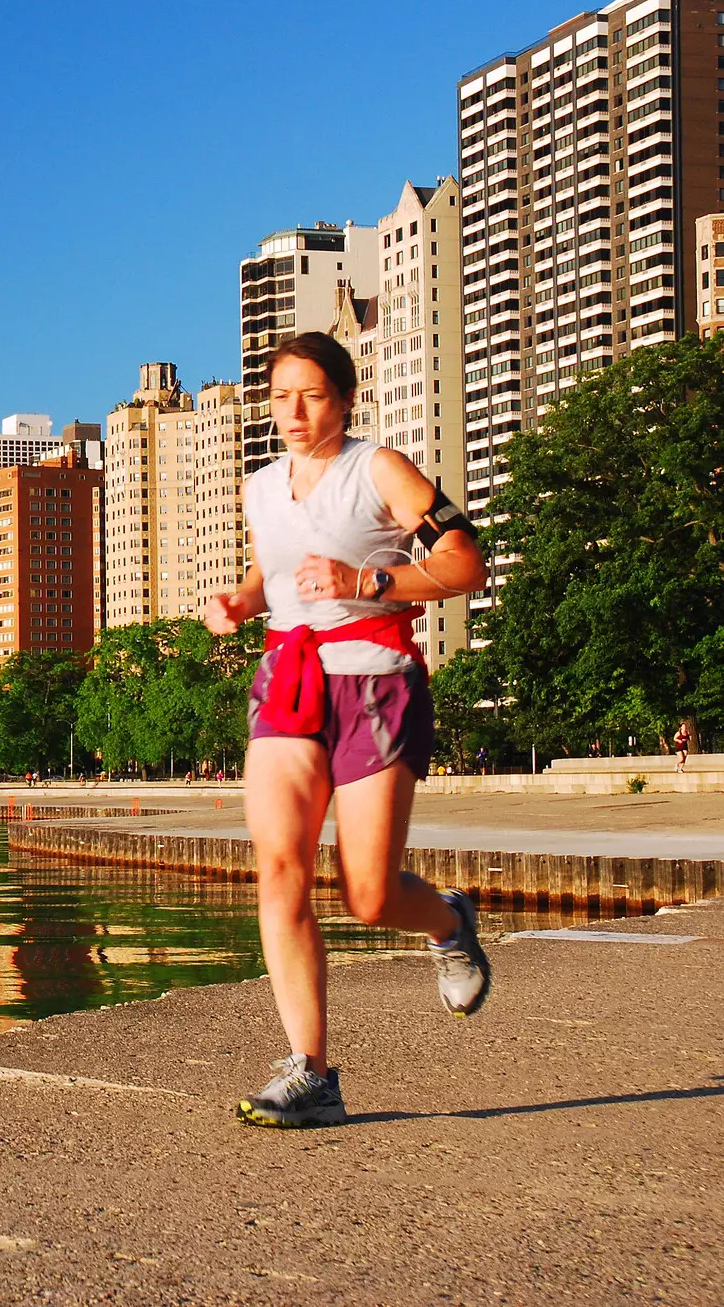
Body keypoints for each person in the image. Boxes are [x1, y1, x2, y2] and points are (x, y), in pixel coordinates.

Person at [204, 331, 493, 1129]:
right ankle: (311, 1073)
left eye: (313, 395)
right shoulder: (260, 486)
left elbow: (465, 565)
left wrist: (367, 579)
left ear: (345, 399)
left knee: (367, 895)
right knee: (279, 869)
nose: (294, 413)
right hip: (289, 679)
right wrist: (240, 601)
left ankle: (447, 922)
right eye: (280, 396)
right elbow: (277, 570)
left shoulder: (380, 467)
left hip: (374, 678)